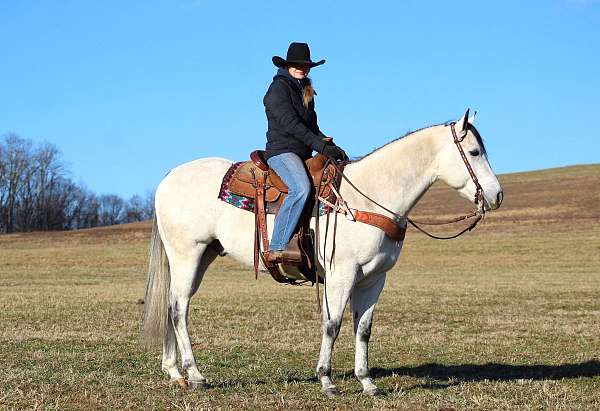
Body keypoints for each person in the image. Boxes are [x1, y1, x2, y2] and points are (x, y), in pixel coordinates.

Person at [263, 42, 348, 263]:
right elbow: (292, 125)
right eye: (298, 64)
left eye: (306, 65)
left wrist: (328, 145)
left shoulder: (306, 90)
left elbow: (311, 128)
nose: (302, 68)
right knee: (300, 188)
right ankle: (277, 245)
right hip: (281, 151)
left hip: (303, 152)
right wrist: (319, 146)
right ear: (288, 65)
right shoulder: (277, 90)